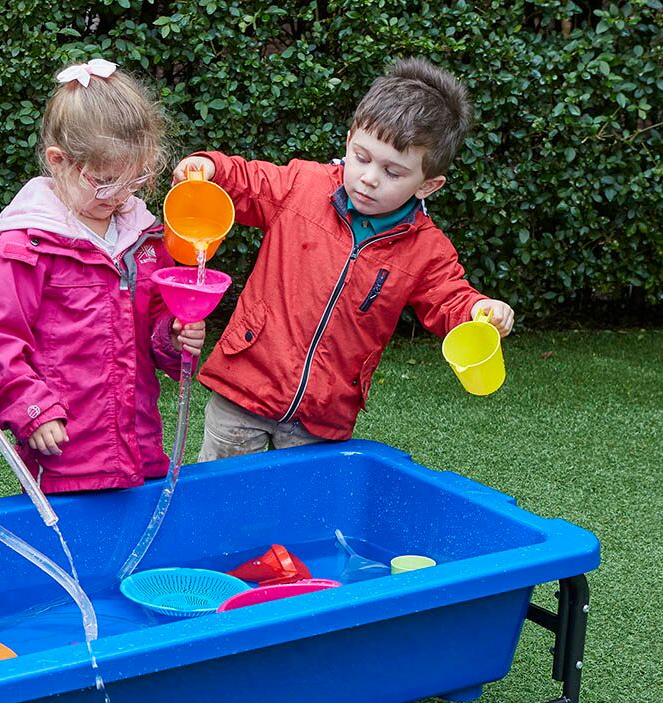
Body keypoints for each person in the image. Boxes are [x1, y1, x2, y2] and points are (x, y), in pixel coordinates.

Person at [172, 58, 516, 460]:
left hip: (324, 409)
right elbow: (249, 182)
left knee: (302, 513)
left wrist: (480, 310)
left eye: (393, 172)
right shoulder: (302, 185)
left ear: (429, 184)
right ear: (350, 139)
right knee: (220, 499)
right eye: (362, 157)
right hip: (245, 381)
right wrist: (211, 167)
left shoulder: (426, 249)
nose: (369, 177)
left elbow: (448, 297)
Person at [0, 59, 206, 494]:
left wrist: (172, 335)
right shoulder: (25, 246)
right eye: (105, 182)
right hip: (63, 452)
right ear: (59, 162)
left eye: (135, 181)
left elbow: (155, 322)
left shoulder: (143, 236)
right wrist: (30, 409)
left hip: (139, 442)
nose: (119, 196)